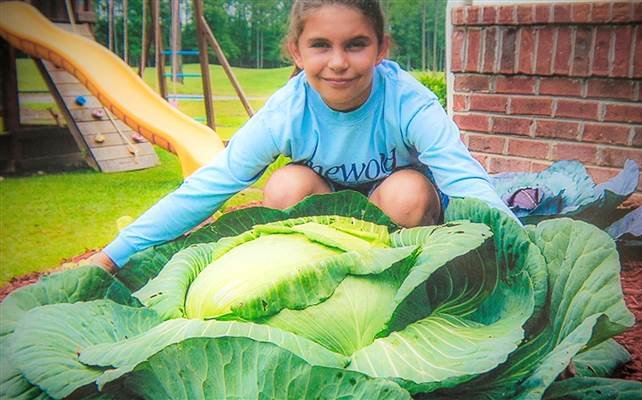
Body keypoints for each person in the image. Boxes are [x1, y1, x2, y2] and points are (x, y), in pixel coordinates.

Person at [91, 0, 517, 273]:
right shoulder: (286, 112)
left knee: (407, 192)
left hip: (400, 223)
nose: (338, 62)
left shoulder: (409, 102)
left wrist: (523, 254)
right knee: (285, 185)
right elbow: (209, 185)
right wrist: (113, 255)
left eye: (355, 44)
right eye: (320, 45)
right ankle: (316, 283)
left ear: (381, 48)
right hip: (328, 222)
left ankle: (401, 291)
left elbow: (465, 180)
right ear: (296, 51)